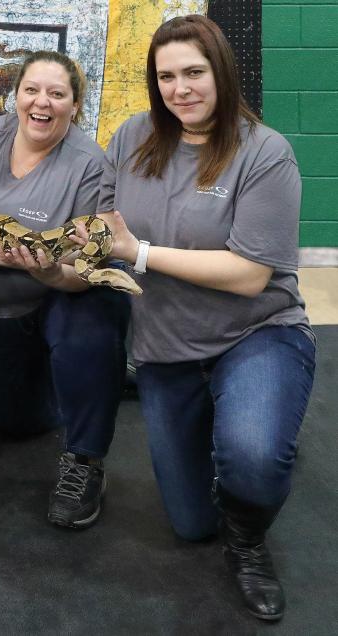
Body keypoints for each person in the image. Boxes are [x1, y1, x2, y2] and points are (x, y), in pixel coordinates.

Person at [92, 15, 315, 621]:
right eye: (166, 77)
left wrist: (137, 253)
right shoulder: (133, 136)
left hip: (255, 332)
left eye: (194, 72)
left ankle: (248, 535)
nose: (180, 88)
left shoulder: (264, 151)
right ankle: (244, 440)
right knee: (192, 525)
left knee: (253, 460)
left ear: (221, 72)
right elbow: (98, 229)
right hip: (167, 346)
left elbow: (249, 274)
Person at [0, 51, 131, 530]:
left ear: (75, 104)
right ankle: (106, 378)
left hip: (59, 297)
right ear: (16, 95)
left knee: (91, 327)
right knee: (15, 423)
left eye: (56, 93)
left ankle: (85, 458)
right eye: (31, 90)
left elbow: (84, 270)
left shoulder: (90, 165)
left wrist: (45, 272)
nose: (41, 102)